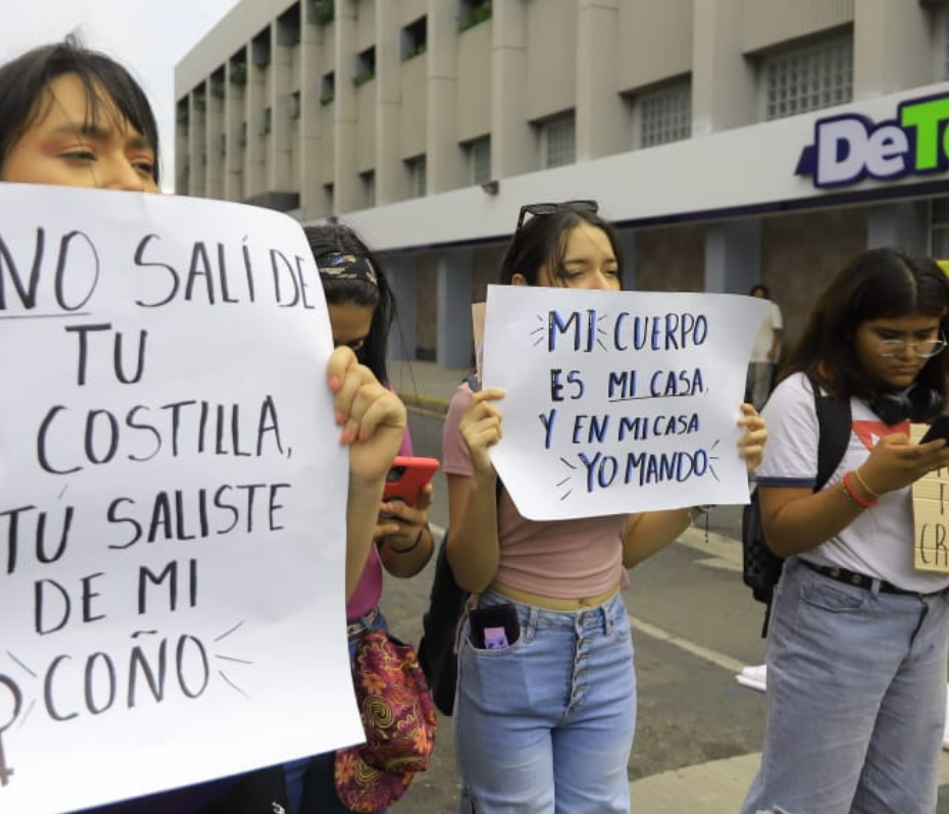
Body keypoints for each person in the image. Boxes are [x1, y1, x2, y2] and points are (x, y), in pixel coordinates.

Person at [0, 40, 407, 814]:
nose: (125, 183)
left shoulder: (227, 398)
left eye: (144, 165)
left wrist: (361, 478)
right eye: (81, 152)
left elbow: (295, 614)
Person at [443, 199, 769, 814]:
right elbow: (471, 574)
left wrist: (711, 476)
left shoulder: (630, 394)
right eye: (575, 271)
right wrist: (484, 474)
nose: (601, 287)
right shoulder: (478, 405)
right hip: (511, 640)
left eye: (612, 270)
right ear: (524, 288)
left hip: (607, 637)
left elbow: (626, 549)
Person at [738, 247, 949, 814]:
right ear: (848, 327)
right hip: (835, 617)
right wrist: (867, 483)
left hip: (928, 618)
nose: (910, 352)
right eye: (890, 335)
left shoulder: (937, 399)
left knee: (903, 802)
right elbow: (782, 532)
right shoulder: (803, 398)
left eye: (926, 335)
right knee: (806, 801)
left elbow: (948, 511)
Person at [287, 223, 435, 814]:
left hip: (355, 655)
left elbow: (404, 562)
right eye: (323, 341)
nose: (341, 364)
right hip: (280, 656)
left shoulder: (372, 402)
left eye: (357, 344)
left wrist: (410, 530)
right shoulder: (230, 416)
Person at [746, 283, 783, 410]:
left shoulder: (772, 308)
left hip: (765, 355)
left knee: (761, 388)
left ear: (766, 296)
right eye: (756, 295)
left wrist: (774, 349)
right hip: (750, 355)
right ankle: (750, 411)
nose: (759, 297)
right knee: (749, 385)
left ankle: (758, 414)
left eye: (761, 295)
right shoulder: (748, 310)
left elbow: (778, 330)